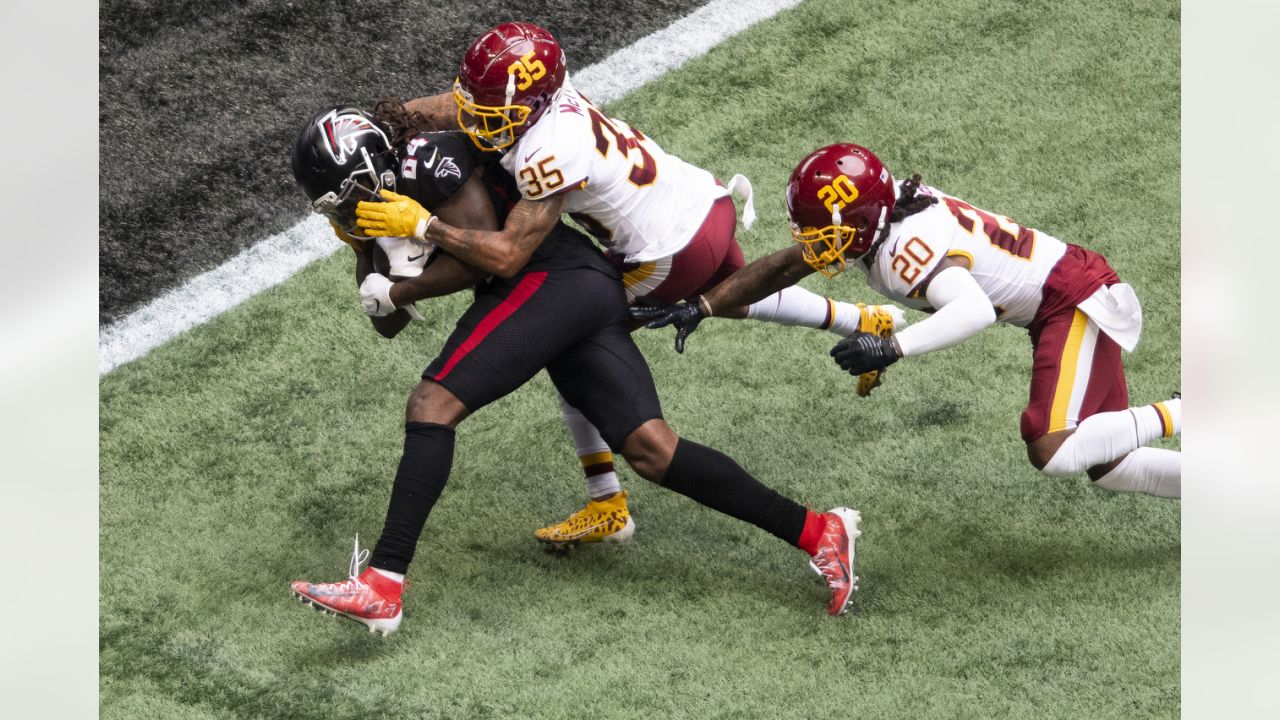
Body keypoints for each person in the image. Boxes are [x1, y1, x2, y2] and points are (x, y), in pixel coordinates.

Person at [288, 106, 864, 634]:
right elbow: (387, 319)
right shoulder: (385, 198)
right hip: (570, 289)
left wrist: (403, 270)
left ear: (371, 167)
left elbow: (486, 258)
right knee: (652, 450)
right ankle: (819, 531)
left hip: (550, 280)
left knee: (431, 405)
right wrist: (363, 251)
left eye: (342, 195)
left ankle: (383, 583)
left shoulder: (431, 161)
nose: (339, 208)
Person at [361, 22, 900, 547]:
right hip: (701, 204)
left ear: (531, 106)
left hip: (664, 250)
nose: (481, 119)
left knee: (563, 328)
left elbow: (507, 256)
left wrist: (423, 224)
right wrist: (384, 125)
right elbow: (465, 106)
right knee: (728, 292)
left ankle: (606, 501)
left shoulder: (545, 150)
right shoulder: (553, 92)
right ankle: (858, 319)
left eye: (494, 112)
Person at [633, 143, 1181, 499]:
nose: (819, 248)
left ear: (865, 219)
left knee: (1052, 444)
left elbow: (972, 311)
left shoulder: (904, 249)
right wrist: (701, 306)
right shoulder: (887, 212)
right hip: (1059, 295)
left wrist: (892, 348)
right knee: (1111, 464)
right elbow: (783, 265)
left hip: (1072, 300)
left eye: (829, 234)